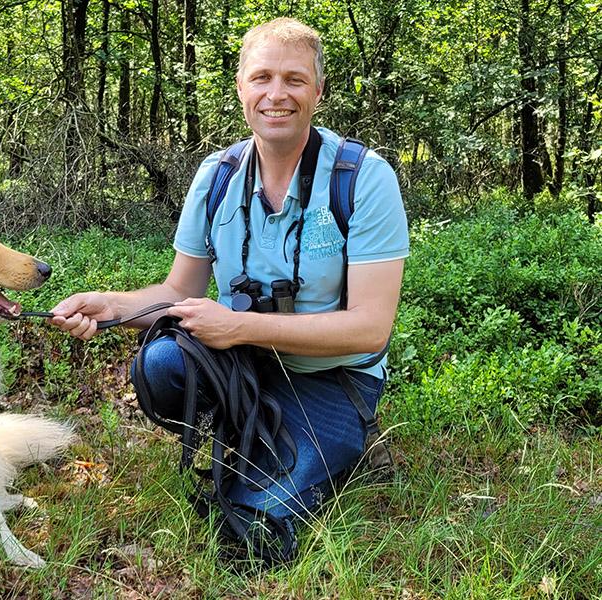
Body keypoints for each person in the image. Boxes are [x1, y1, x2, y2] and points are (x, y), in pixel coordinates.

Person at [50, 18, 408, 532]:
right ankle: (248, 427)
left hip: (333, 377)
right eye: (261, 77)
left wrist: (240, 327)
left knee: (253, 524)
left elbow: (369, 328)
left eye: (295, 79)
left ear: (319, 91)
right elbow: (179, 291)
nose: (276, 94)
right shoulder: (217, 175)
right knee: (158, 366)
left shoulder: (363, 178)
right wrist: (111, 305)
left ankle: (339, 443)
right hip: (244, 364)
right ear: (241, 87)